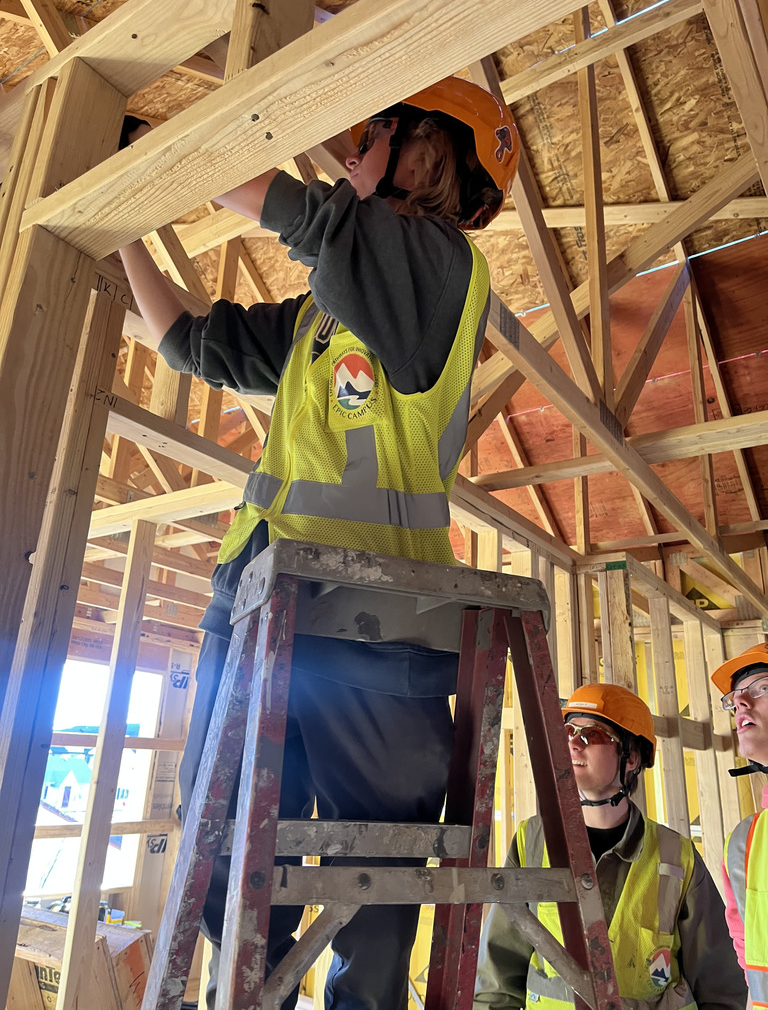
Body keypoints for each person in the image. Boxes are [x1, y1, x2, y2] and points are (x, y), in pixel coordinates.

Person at [119, 78, 519, 1010]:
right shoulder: (320, 317)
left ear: (430, 149)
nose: (350, 151)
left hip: (375, 636)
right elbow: (191, 344)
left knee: (370, 899)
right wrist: (126, 227)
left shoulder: (448, 277)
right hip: (261, 611)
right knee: (223, 864)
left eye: (372, 132)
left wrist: (164, 152)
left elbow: (317, 222)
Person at [473, 683, 746, 1009]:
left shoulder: (677, 857)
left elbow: (720, 989)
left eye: (592, 735)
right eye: (569, 730)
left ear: (631, 757)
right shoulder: (532, 841)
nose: (573, 742)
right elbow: (497, 980)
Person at [712, 642, 768, 1007]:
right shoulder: (744, 843)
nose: (741, 705)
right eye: (734, 699)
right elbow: (753, 974)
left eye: (762, 687)